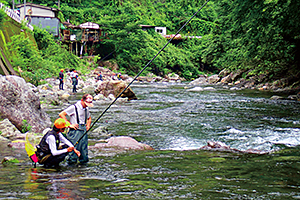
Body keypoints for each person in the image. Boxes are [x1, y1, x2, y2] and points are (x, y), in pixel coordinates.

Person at [59, 94, 93, 165]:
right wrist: (69, 125)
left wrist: (88, 126)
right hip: (74, 132)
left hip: (83, 131)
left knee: (84, 150)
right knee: (73, 150)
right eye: (86, 103)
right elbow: (62, 114)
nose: (87, 105)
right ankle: (71, 168)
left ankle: (83, 166)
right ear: (82, 100)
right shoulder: (74, 107)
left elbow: (89, 118)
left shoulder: (86, 109)